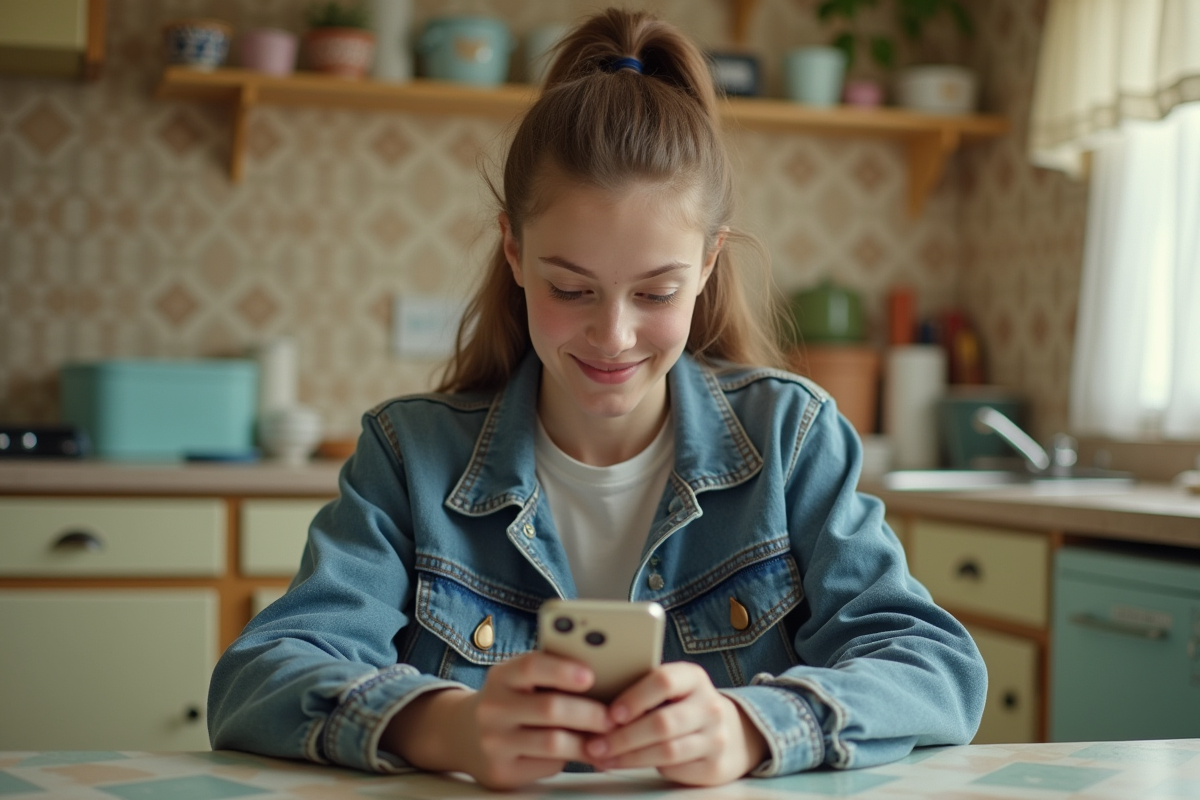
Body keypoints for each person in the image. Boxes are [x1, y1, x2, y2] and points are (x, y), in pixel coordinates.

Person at [208, 8, 986, 790]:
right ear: (513, 250)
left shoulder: (792, 438)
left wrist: (754, 726)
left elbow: (935, 669)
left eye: (656, 291)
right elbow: (257, 679)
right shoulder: (408, 457)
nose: (613, 335)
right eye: (571, 287)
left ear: (710, 262)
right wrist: (443, 726)